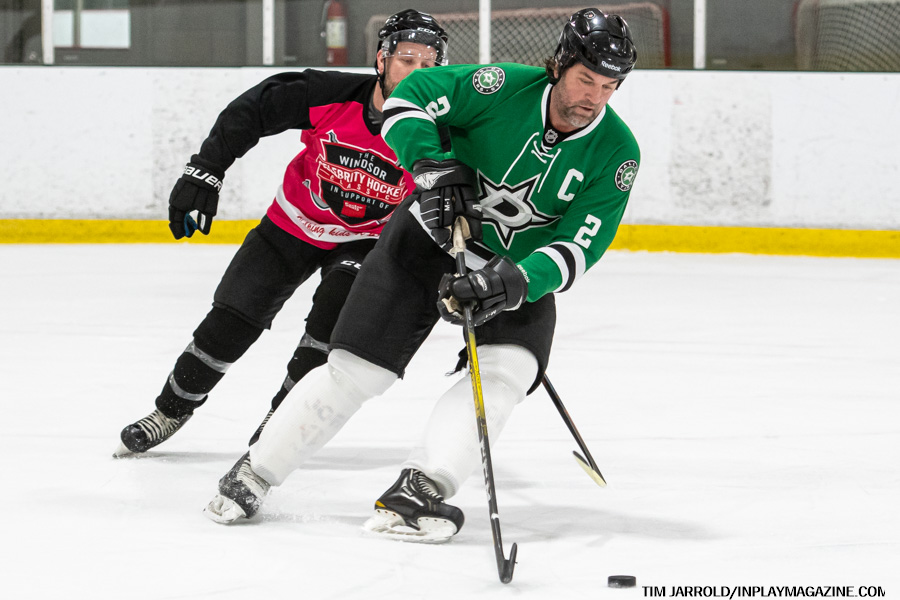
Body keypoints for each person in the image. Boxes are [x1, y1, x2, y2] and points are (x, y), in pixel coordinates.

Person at [203, 8, 640, 544]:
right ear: (560, 65)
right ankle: (254, 472)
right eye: (586, 80)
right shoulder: (500, 86)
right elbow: (408, 99)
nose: (594, 97)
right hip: (424, 242)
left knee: (508, 370)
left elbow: (580, 243)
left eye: (609, 86)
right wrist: (430, 165)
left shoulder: (618, 152)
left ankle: (419, 488)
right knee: (356, 369)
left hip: (511, 271)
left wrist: (516, 283)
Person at [113, 10, 450, 457]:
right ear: (381, 59)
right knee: (232, 318)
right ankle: (170, 411)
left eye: (430, 65)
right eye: (407, 59)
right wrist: (206, 169)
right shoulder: (331, 95)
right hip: (292, 223)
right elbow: (255, 107)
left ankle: (278, 428)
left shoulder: (442, 129)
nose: (418, 73)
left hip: (366, 240)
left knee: (328, 328)